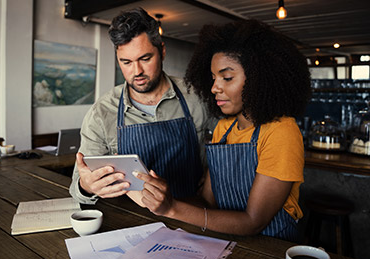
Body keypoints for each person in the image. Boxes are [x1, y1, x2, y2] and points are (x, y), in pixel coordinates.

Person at [133, 19, 311, 241]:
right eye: (213, 78)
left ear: (259, 78)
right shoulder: (224, 128)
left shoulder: (282, 132)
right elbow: (207, 202)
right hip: (225, 243)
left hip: (270, 251)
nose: (214, 87)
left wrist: (172, 209)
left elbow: (253, 221)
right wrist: (164, 199)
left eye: (227, 78)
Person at [69, 7, 213, 205]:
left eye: (145, 59)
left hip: (192, 215)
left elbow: (226, 147)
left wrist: (213, 176)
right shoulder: (102, 113)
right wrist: (86, 186)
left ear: (162, 51)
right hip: (131, 222)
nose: (137, 71)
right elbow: (77, 187)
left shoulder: (197, 96)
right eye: (126, 62)